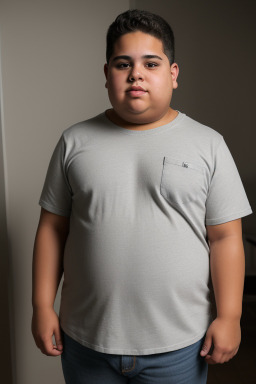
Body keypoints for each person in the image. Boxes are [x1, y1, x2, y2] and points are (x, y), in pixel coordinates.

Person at [31, 9, 253, 384]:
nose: (136, 73)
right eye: (123, 64)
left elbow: (225, 236)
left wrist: (230, 316)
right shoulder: (74, 141)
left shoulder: (208, 144)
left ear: (173, 74)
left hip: (180, 345)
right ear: (107, 75)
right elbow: (53, 229)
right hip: (86, 342)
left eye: (151, 62)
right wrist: (41, 305)